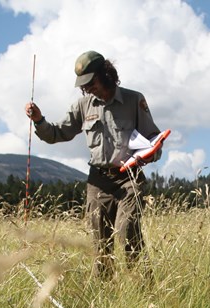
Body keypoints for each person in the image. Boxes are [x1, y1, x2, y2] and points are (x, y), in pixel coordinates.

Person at [25, 50, 162, 278]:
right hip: (97, 182)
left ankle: (145, 292)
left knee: (127, 231)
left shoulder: (133, 100)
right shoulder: (82, 106)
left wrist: (150, 154)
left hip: (129, 179)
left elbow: (154, 139)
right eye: (84, 85)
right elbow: (57, 133)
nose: (87, 88)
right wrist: (39, 119)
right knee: (100, 244)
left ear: (106, 74)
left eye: (91, 82)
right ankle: (103, 299)